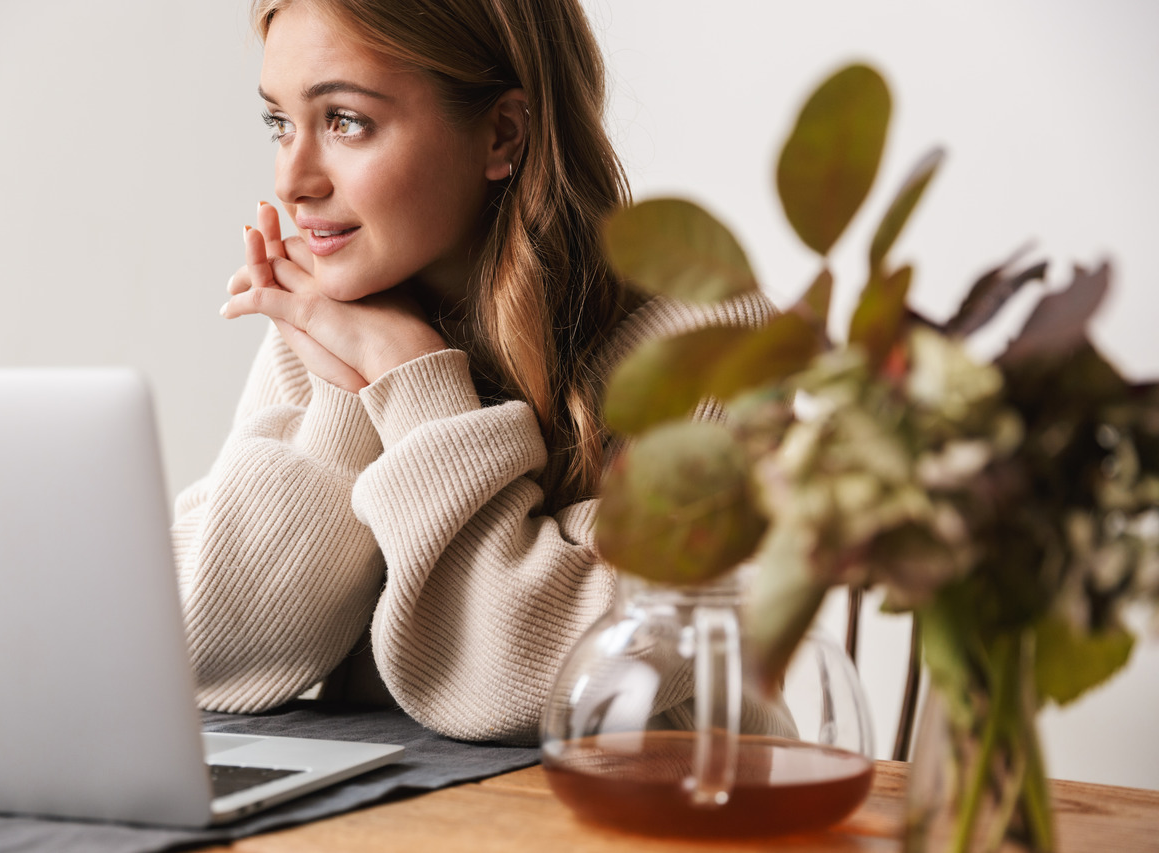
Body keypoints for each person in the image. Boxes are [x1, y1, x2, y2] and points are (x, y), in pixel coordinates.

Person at [172, 0, 773, 744]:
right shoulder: (340, 321)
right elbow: (209, 653)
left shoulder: (702, 340)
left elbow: (526, 683)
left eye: (345, 121)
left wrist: (411, 375)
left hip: (663, 814)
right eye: (280, 123)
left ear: (502, 133)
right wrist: (342, 401)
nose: (293, 180)